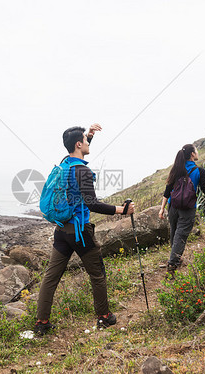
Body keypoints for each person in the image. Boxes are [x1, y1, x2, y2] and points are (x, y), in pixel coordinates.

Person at [34, 124, 135, 335]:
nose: (88, 144)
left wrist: (89, 136)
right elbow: (92, 204)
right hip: (80, 232)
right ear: (78, 144)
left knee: (51, 277)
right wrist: (122, 210)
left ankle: (41, 323)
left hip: (61, 231)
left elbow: (76, 153)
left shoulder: (64, 165)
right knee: (97, 274)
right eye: (86, 141)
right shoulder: (83, 172)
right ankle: (104, 317)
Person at [158, 144, 205, 276]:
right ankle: (172, 264)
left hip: (172, 206)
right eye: (196, 150)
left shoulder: (176, 168)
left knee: (174, 234)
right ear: (192, 154)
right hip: (188, 207)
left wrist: (162, 208)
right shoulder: (199, 171)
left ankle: (175, 259)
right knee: (180, 236)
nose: (197, 152)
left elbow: (168, 190)